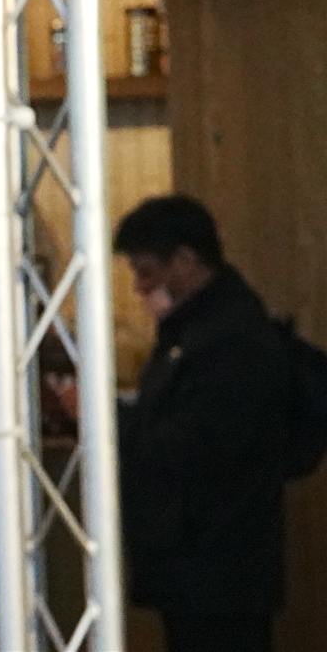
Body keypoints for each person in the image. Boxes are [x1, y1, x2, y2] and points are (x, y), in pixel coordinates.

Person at [113, 196, 290, 652]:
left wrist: (109, 418)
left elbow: (189, 448)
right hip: (203, 565)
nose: (139, 287)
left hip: (217, 566)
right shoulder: (201, 328)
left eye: (147, 273)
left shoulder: (230, 340)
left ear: (185, 261)